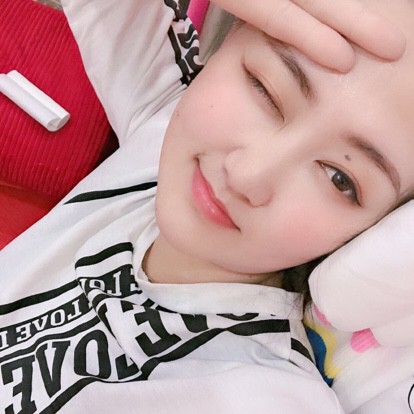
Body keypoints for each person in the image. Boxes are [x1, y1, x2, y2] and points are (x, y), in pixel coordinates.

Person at [0, 0, 412, 412]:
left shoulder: (259, 397)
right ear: (230, 37)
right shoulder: (160, 127)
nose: (246, 175)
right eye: (265, 88)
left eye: (340, 179)